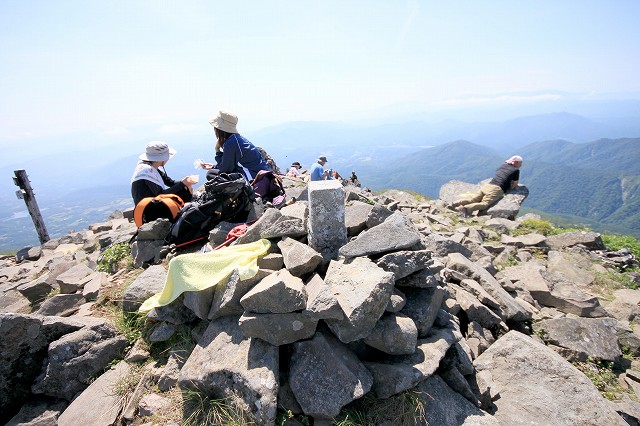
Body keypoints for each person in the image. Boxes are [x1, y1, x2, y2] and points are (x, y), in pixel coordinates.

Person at [201, 110, 269, 181]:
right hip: (259, 175)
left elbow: (225, 169)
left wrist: (217, 150)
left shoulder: (231, 143)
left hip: (253, 179)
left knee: (210, 174)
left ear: (219, 129)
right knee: (212, 172)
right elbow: (230, 164)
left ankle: (243, 191)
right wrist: (214, 166)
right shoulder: (236, 139)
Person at [452, 155, 523, 217]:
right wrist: (509, 188)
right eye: (520, 163)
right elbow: (515, 183)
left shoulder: (503, 165)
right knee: (484, 204)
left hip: (489, 185)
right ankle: (465, 208)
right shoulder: (515, 170)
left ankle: (454, 204)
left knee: (473, 200)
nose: (521, 165)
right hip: (497, 189)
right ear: (516, 162)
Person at [131, 141, 197, 205]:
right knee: (182, 190)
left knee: (183, 188)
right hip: (148, 208)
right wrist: (183, 184)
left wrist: (186, 182)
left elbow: (170, 182)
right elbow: (161, 194)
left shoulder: (152, 167)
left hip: (152, 203)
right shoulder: (147, 171)